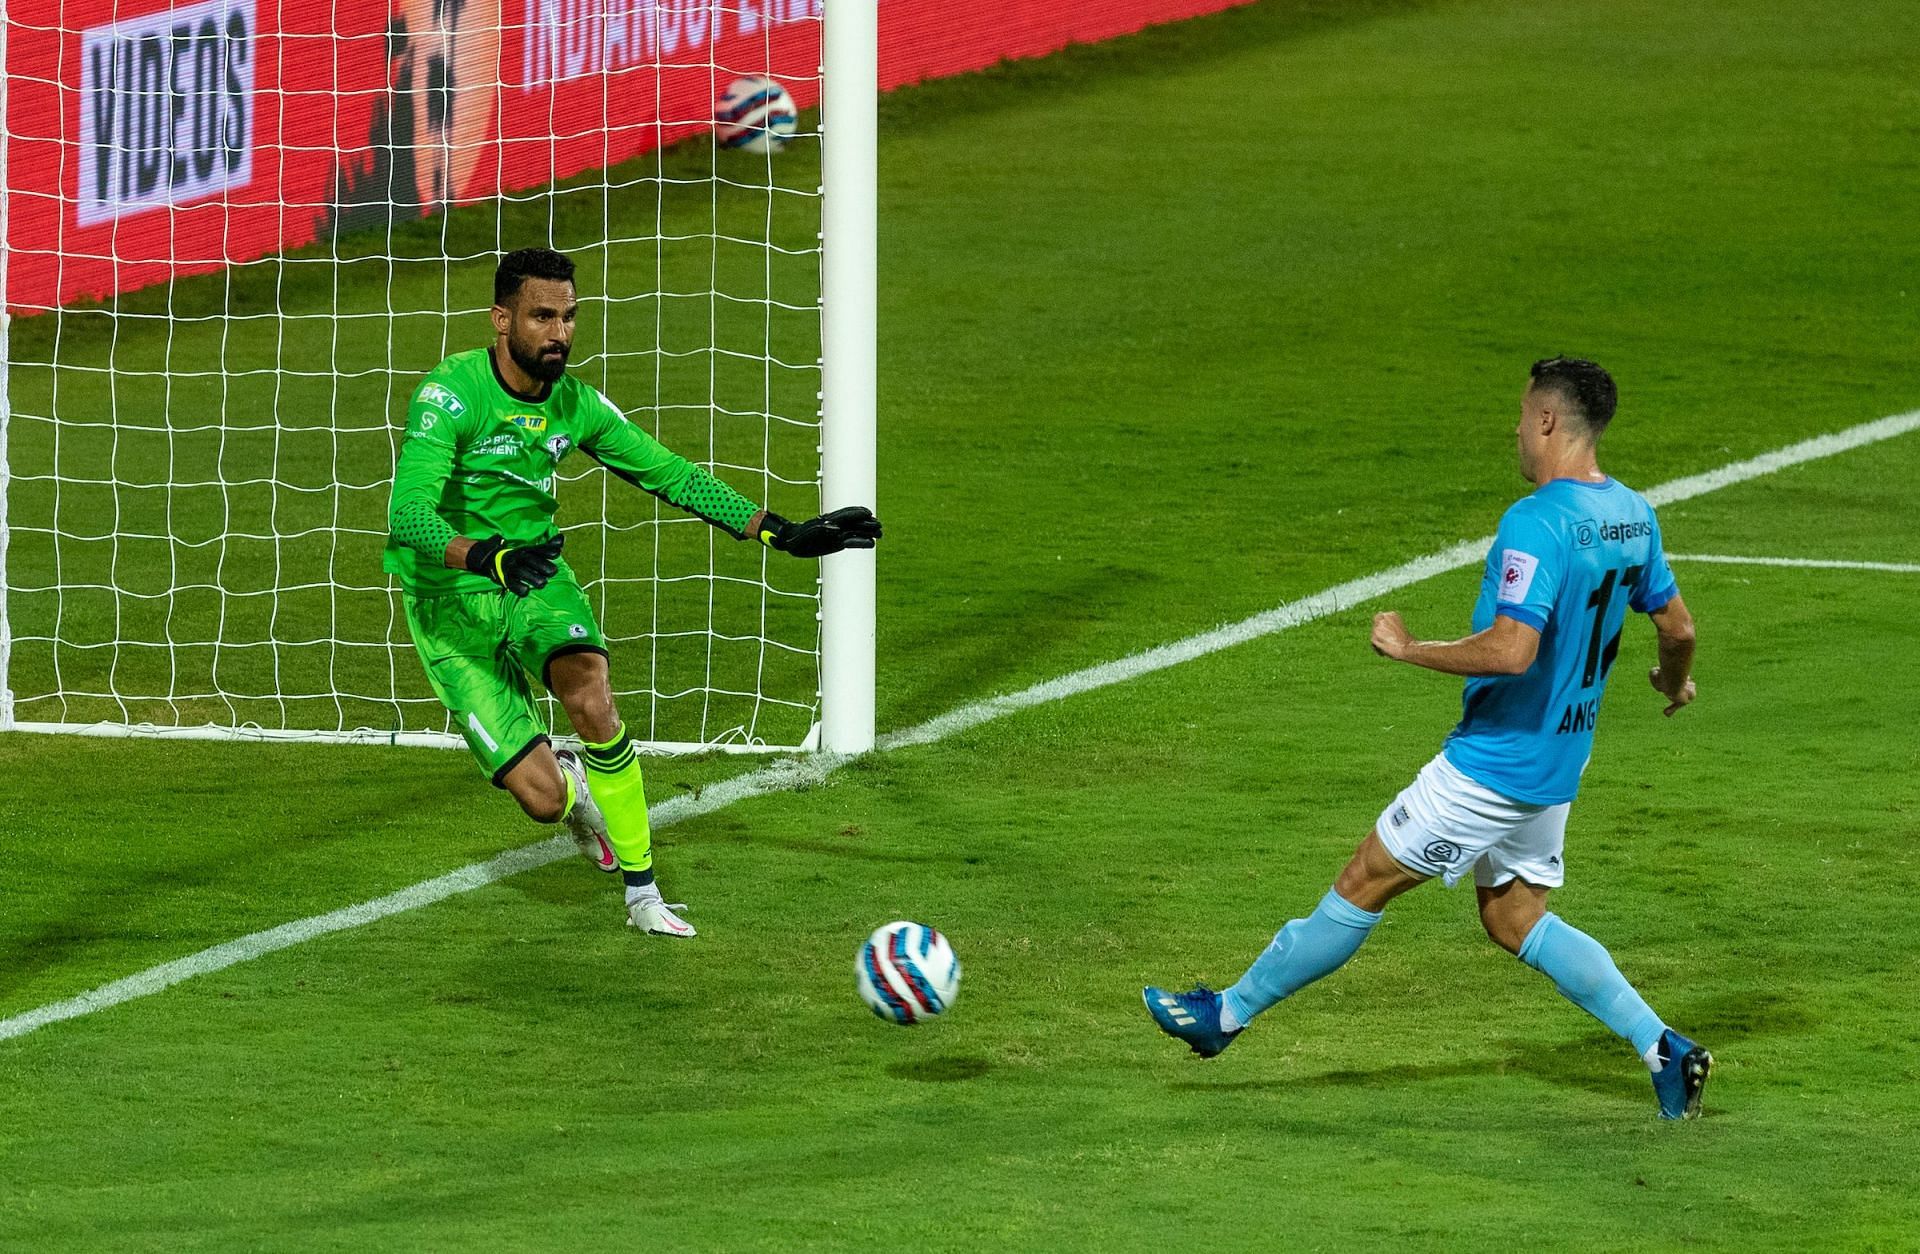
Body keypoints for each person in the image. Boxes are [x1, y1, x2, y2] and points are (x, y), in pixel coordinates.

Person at [1144, 357, 1711, 1119]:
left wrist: (1410, 648)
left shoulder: (1537, 522)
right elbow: (1677, 627)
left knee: (1363, 881)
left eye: (1521, 413)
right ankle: (1664, 1048)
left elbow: (1513, 651)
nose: (1514, 429)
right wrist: (1673, 683)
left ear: (1548, 420)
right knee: (1514, 918)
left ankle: (1225, 1017)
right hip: (1559, 759)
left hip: (1494, 764)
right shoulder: (1633, 515)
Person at [384, 247, 880, 937]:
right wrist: (483, 556)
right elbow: (406, 516)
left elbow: (668, 472)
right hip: (450, 602)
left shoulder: (576, 404)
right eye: (542, 317)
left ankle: (643, 894)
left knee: (590, 694)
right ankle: (574, 795)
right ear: (502, 320)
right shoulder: (450, 395)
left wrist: (776, 531)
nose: (559, 333)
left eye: (569, 317)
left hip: (535, 579)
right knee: (541, 799)